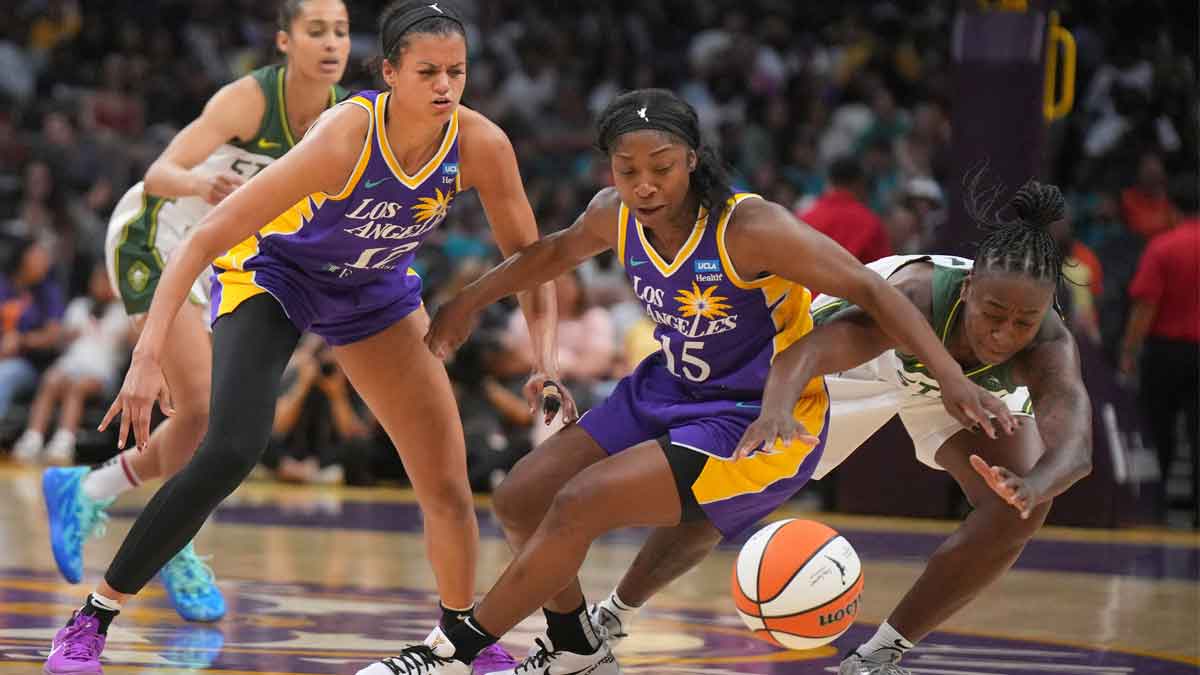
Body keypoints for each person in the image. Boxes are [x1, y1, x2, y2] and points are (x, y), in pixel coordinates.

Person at [356, 88, 1014, 675]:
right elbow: (552, 253)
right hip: (667, 388)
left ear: (694, 159)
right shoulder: (612, 213)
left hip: (751, 415)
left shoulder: (750, 228)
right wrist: (467, 300)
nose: (644, 184)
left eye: (661, 167)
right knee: (521, 498)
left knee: (579, 502)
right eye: (628, 169)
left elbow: (870, 287)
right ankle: (575, 642)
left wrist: (951, 375)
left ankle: (453, 651)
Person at [43, 2, 565, 674]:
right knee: (230, 446)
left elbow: (533, 260)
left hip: (371, 292)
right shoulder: (346, 135)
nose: (445, 86)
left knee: (446, 478)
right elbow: (206, 235)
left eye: (456, 72)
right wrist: (146, 355)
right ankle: (92, 616)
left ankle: (463, 634)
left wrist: (547, 364)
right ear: (389, 74)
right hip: (275, 275)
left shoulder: (482, 144)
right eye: (428, 71)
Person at [584, 174, 1094, 675]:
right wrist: (777, 410)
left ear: (1045, 312)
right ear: (966, 290)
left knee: (1018, 512)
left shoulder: (1048, 346)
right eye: (993, 314)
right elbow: (799, 359)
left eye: (1022, 322)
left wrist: (1032, 486)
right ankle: (613, 613)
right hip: (861, 361)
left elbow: (1075, 446)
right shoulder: (916, 294)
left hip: (964, 393)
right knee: (732, 481)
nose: (1005, 335)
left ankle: (879, 657)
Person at [38, 0, 352, 624]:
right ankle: (171, 547)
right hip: (156, 238)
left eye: (341, 31)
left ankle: (89, 488)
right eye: (316, 30)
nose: (331, 42)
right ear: (286, 40)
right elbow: (159, 172)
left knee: (209, 422)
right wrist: (200, 186)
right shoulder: (248, 100)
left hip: (227, 264)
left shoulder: (346, 119)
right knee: (206, 410)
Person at [1121, 176, 1199, 527]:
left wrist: (1128, 351)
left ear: (1172, 206)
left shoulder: (1163, 246)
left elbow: (1145, 304)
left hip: (1166, 351)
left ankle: (1154, 506)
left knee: (1158, 430)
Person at [12, 261, 128, 464]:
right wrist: (66, 336)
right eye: (98, 280)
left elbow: (134, 342)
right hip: (71, 363)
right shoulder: (79, 306)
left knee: (77, 387)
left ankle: (64, 441)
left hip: (100, 372)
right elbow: (59, 342)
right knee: (51, 380)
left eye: (107, 281)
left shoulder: (124, 312)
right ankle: (33, 437)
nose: (102, 285)